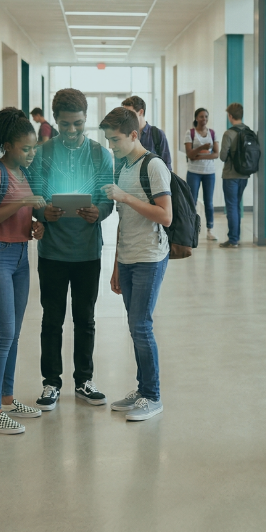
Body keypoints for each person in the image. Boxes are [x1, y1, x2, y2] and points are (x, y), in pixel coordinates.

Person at [31, 89, 115, 412]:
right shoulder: (42, 153)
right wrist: (42, 213)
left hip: (87, 252)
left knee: (85, 318)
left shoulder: (99, 155)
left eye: (78, 124)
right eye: (65, 125)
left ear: (86, 120)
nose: (71, 130)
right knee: (51, 320)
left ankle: (84, 380)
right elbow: (35, 195)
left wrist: (100, 212)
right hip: (52, 251)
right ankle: (51, 382)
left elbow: (107, 198)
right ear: (55, 121)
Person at [100, 107, 173, 422]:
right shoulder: (121, 166)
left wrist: (126, 197)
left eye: (115, 140)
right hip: (128, 256)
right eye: (107, 140)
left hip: (150, 257)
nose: (111, 146)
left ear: (133, 135)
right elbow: (122, 221)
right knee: (135, 326)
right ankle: (142, 389)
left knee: (141, 326)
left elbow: (165, 216)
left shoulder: (153, 166)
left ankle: (153, 395)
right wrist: (117, 263)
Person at [0, 108, 47, 434]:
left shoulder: (22, 173)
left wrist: (34, 225)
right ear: (8, 145)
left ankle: (6, 400)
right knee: (2, 335)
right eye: (25, 149)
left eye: (34, 148)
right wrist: (22, 205)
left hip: (20, 256)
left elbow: (19, 215)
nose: (31, 154)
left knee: (14, 335)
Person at [183, 107, 219, 241]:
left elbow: (216, 154)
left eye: (206, 117)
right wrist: (202, 148)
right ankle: (191, 229)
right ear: (196, 118)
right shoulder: (190, 133)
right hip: (194, 172)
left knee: (209, 202)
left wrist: (198, 156)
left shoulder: (213, 133)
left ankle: (210, 229)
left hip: (209, 173)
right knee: (192, 201)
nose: (204, 119)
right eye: (201, 116)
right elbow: (189, 154)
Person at [218, 103, 250, 248]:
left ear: (230, 116)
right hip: (244, 175)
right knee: (237, 205)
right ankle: (235, 237)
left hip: (230, 175)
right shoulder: (249, 131)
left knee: (231, 206)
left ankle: (233, 239)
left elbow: (223, 156)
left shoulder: (228, 133)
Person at [122, 95, 172, 167]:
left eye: (129, 113)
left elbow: (167, 164)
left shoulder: (157, 134)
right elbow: (119, 166)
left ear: (141, 112)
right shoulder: (124, 135)